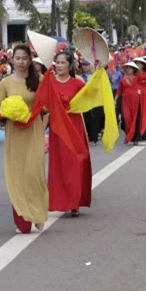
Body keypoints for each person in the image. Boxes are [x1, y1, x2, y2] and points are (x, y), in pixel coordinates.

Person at [0, 44, 47, 234]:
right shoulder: (6, 83)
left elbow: (46, 104)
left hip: (33, 130)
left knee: (34, 173)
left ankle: (38, 214)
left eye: (25, 58)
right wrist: (10, 112)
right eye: (18, 58)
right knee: (17, 175)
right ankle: (23, 220)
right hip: (14, 132)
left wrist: (39, 110)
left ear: (30, 60)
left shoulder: (39, 80)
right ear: (12, 59)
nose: (21, 62)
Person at [49, 49, 92, 217]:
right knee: (59, 164)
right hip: (57, 128)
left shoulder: (77, 83)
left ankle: (75, 202)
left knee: (74, 163)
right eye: (57, 62)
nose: (59, 66)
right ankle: (59, 200)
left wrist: (98, 75)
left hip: (74, 126)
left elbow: (90, 97)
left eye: (63, 63)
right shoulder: (50, 82)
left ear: (70, 65)